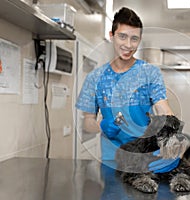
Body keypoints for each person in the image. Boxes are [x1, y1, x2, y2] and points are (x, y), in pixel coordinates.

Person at [76, 7, 180, 173]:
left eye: (134, 39)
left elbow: (162, 107)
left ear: (139, 40)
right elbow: (87, 123)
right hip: (112, 159)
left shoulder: (150, 73)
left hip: (146, 157)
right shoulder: (95, 78)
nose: (128, 45)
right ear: (112, 36)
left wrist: (171, 132)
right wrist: (101, 125)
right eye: (122, 37)